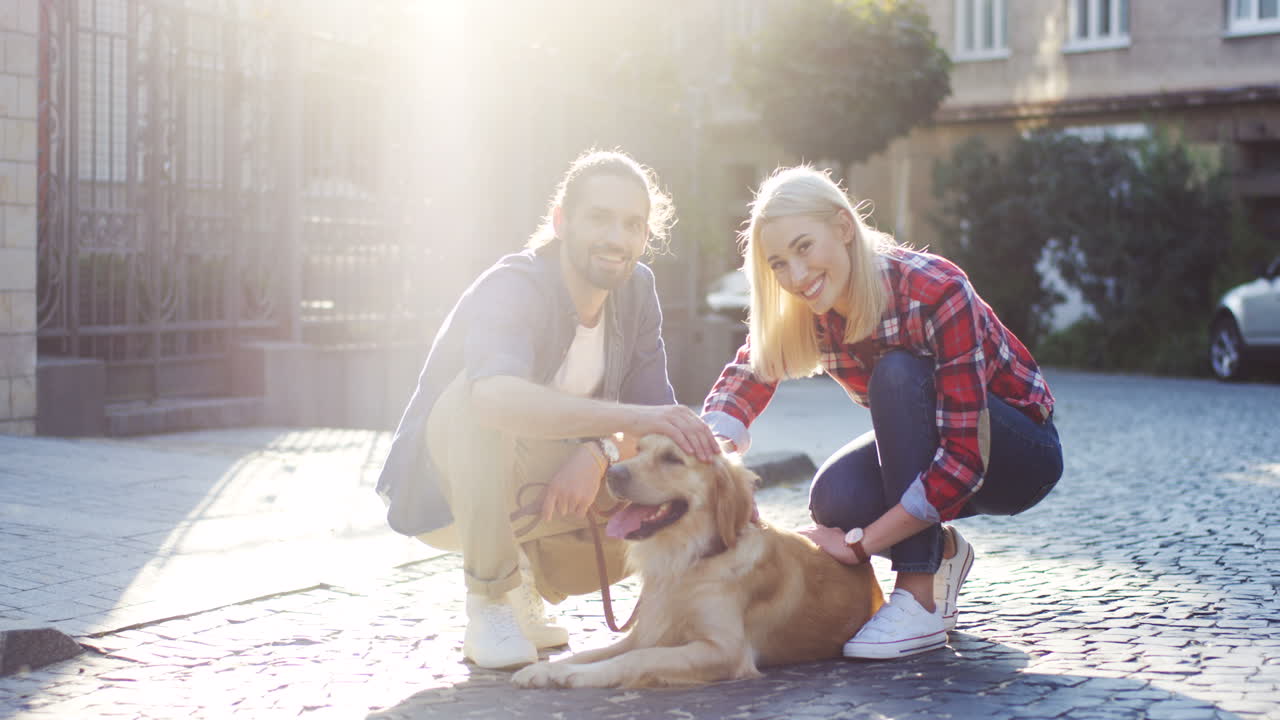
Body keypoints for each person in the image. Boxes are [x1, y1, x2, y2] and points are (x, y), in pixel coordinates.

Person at [376, 150, 720, 670]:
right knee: (481, 397)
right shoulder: (514, 285)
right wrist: (621, 426)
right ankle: (489, 598)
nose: (616, 237)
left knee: (667, 475)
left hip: (549, 490)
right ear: (561, 221)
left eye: (632, 224)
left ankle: (522, 581)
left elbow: (653, 419)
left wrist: (600, 452)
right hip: (448, 493)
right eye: (599, 218)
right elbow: (493, 400)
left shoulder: (638, 291)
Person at [701, 166, 1062, 660]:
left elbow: (963, 458)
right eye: (779, 263)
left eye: (805, 247)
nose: (797, 276)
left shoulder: (935, 290)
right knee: (835, 499)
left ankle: (918, 596)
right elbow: (749, 372)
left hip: (1017, 456)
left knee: (897, 374)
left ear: (844, 228)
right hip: (944, 450)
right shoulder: (809, 305)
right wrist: (708, 456)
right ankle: (947, 555)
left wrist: (861, 545)